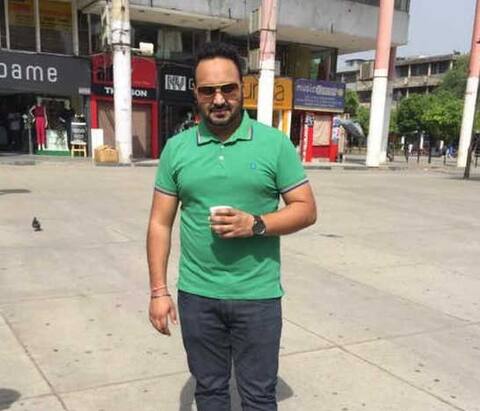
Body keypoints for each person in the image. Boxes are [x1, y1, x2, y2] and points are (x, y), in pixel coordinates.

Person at [147, 42, 317, 410]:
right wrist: (158, 292)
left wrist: (255, 224)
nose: (219, 99)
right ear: (195, 92)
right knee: (209, 392)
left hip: (257, 297)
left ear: (244, 88)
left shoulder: (274, 145)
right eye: (208, 90)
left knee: (258, 397)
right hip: (197, 297)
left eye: (228, 88)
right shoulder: (177, 149)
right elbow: (159, 223)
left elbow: (306, 209)